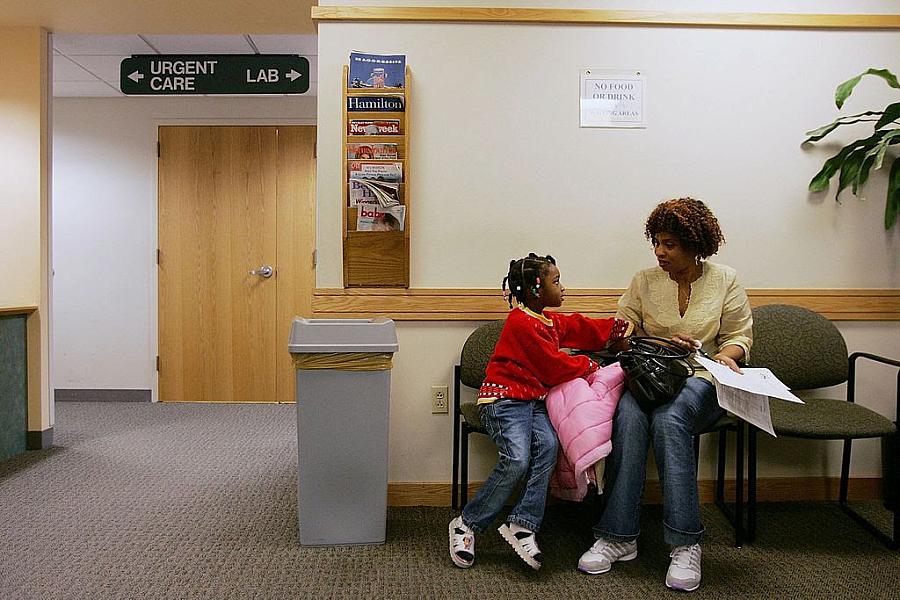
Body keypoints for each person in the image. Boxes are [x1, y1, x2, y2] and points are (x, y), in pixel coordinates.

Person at [578, 198, 752, 592]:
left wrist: (726, 355)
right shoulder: (643, 281)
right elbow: (624, 330)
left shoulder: (725, 279)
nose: (660, 252)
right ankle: (618, 536)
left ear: (695, 244)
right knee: (629, 415)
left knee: (670, 418)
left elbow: (740, 336)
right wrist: (648, 338)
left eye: (670, 244)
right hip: (651, 375)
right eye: (657, 242)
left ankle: (686, 541)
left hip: (702, 378)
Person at [450, 253, 633, 570]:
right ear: (537, 288)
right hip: (504, 401)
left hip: (532, 402)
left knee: (548, 446)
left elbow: (579, 326)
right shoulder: (522, 323)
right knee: (517, 459)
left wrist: (618, 329)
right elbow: (552, 367)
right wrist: (590, 365)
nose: (564, 288)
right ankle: (466, 523)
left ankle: (523, 523)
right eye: (557, 281)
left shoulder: (547, 320)